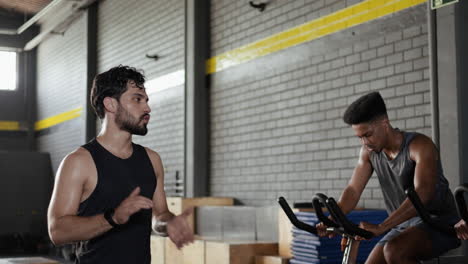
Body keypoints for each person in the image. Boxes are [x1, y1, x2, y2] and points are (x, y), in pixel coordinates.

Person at [47, 65, 194, 263]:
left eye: (146, 100)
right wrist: (113, 218)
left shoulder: (152, 159)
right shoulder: (79, 162)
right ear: (111, 104)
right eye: (137, 99)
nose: (147, 108)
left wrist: (169, 224)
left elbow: (160, 215)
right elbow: (57, 231)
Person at [317, 92, 460, 263]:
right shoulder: (368, 153)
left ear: (385, 124)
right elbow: (353, 190)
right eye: (360, 137)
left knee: (394, 251)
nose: (365, 143)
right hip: (402, 225)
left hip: (437, 223)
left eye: (368, 135)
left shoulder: (420, 146)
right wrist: (332, 219)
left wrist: (381, 227)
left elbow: (422, 194)